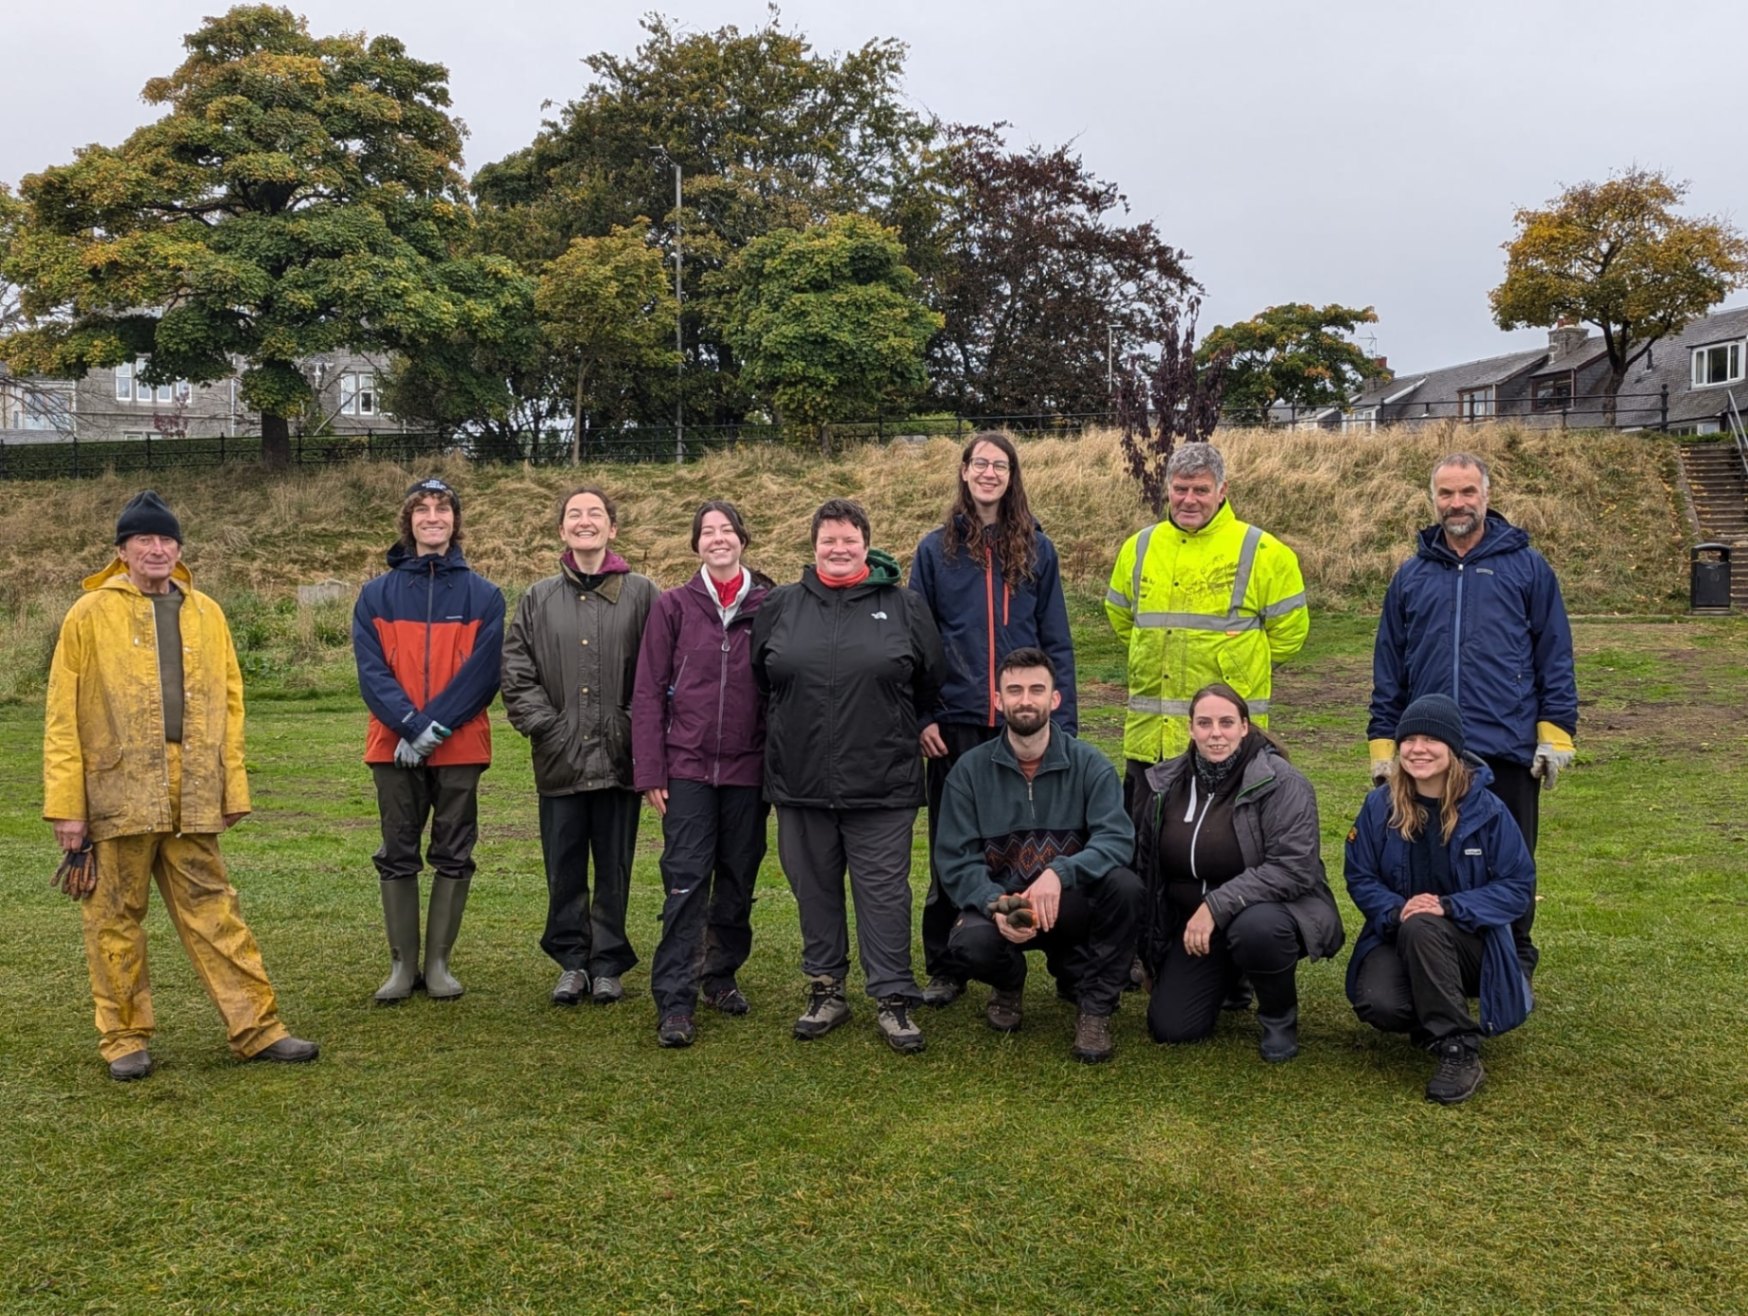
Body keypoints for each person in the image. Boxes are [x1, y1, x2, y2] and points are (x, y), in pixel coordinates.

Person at [43, 490, 318, 1080]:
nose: (157, 549)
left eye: (167, 539)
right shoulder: (88, 613)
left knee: (216, 911)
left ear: (179, 549)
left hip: (193, 787)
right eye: (144, 539)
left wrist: (231, 786)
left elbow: (233, 704)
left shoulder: (206, 612)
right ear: (122, 550)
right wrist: (68, 808)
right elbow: (62, 716)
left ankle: (259, 1029)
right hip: (116, 792)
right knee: (114, 916)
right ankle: (124, 1039)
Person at [1367, 451, 1576, 973]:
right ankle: (1440, 961)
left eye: (1467, 492)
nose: (1456, 503)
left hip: (1504, 750)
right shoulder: (1412, 575)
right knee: (1431, 861)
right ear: (1432, 499)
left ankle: (1514, 961)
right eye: (1446, 493)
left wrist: (1556, 735)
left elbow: (1555, 654)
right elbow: (1389, 667)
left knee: (1510, 864)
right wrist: (1383, 746)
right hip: (1427, 755)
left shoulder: (1528, 568)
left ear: (1486, 495)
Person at [752, 498, 944, 1054]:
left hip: (882, 782)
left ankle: (892, 997)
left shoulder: (903, 605)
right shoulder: (782, 605)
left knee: (883, 893)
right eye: (828, 541)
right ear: (812, 548)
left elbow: (931, 680)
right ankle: (826, 989)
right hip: (800, 778)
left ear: (867, 544)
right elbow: (763, 680)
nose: (839, 549)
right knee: (813, 888)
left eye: (849, 540)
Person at [909, 430, 1077, 1011]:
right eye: (979, 463)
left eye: (999, 465)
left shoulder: (1038, 548)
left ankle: (1049, 951)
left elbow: (1056, 640)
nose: (988, 473)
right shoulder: (934, 551)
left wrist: (1066, 725)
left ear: (1012, 476)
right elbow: (917, 644)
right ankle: (947, 962)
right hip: (954, 723)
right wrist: (922, 714)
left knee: (1033, 839)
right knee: (949, 846)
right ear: (963, 471)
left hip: (1023, 722)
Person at [934, 648, 1138, 1063]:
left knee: (1126, 887)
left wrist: (1059, 873)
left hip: (1069, 902)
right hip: (1005, 904)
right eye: (1014, 690)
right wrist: (997, 906)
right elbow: (955, 860)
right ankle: (1009, 983)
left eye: (1036, 689)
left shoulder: (1090, 764)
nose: (1025, 699)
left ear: (1054, 699)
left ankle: (1094, 1009)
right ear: (997, 701)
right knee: (969, 943)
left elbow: (1116, 839)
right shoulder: (968, 772)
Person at [502, 486, 658, 1007]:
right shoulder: (538, 597)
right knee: (564, 864)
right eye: (575, 514)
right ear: (562, 530)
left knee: (615, 864)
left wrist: (637, 726)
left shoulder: (643, 594)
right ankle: (572, 961)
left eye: (595, 514)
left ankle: (608, 962)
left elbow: (660, 671)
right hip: (560, 758)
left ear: (612, 528)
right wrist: (548, 727)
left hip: (619, 758)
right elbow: (517, 671)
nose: (585, 521)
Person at [1131, 683, 1343, 1062]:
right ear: (1191, 729)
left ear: (1246, 727)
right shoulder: (1166, 784)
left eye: (1227, 722)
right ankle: (1229, 977)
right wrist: (1153, 957)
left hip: (1268, 911)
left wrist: (1215, 906)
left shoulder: (1283, 782)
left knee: (1257, 930)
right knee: (1172, 1028)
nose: (1216, 733)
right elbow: (1150, 873)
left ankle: (1279, 1018)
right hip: (1194, 929)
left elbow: (1293, 868)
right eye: (1205, 723)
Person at [353, 477, 504, 1003]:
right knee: (398, 849)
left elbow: (482, 676)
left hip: (460, 746)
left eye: (443, 508)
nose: (433, 517)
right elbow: (373, 674)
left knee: (453, 850)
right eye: (423, 509)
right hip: (392, 747)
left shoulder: (484, 595)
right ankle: (401, 966)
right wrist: (409, 727)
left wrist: (432, 728)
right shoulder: (376, 594)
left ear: (455, 521)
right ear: (409, 520)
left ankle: (438, 964)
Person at [1345, 694, 1536, 1105]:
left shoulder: (1489, 809)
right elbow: (1359, 875)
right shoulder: (1379, 805)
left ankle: (1459, 1048)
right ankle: (1434, 1010)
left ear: (1452, 747)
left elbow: (1517, 886)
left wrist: (1449, 907)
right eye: (1409, 739)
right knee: (1379, 1004)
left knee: (1425, 924)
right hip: (1399, 930)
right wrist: (1396, 910)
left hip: (1473, 944)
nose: (1418, 749)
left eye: (1431, 739)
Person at [1105, 442, 1309, 817]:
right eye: (1180, 489)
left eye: (1201, 489)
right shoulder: (1138, 547)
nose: (1189, 499)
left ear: (1222, 490)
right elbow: (1121, 618)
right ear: (1167, 489)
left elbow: (1289, 634)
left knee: (1222, 849)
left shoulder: (1264, 551)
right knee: (1142, 852)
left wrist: (1242, 663)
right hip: (1150, 742)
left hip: (1227, 743)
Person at [631, 500, 770, 1048]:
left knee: (737, 879)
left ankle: (720, 975)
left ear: (743, 539)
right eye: (707, 532)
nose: (718, 538)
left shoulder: (769, 604)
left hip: (747, 770)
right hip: (685, 767)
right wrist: (650, 771)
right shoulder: (672, 607)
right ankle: (675, 1000)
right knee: (686, 882)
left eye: (727, 530)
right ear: (695, 545)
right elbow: (646, 692)